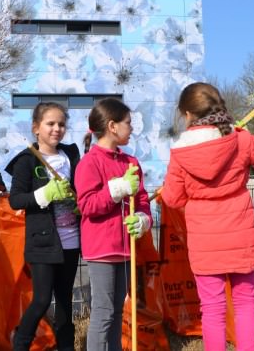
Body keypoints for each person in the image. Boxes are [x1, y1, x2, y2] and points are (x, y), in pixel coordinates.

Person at [161, 82, 254, 351]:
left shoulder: (180, 152)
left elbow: (172, 199)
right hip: (241, 234)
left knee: (212, 309)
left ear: (187, 114)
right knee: (245, 304)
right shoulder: (240, 139)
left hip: (204, 241)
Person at [74, 97, 152, 351]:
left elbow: (142, 200)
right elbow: (87, 205)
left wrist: (143, 220)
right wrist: (116, 190)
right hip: (102, 248)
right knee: (104, 311)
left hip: (125, 247)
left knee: (118, 309)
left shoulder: (131, 163)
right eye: (127, 123)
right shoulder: (89, 162)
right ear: (112, 126)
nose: (131, 128)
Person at [5, 102, 81, 351]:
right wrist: (44, 193)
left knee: (64, 301)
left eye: (61, 124)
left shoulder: (70, 155)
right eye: (50, 124)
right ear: (36, 128)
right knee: (40, 300)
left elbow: (82, 188)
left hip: (70, 239)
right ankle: (21, 343)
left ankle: (66, 347)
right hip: (43, 241)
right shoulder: (27, 160)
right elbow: (15, 199)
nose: (57, 129)